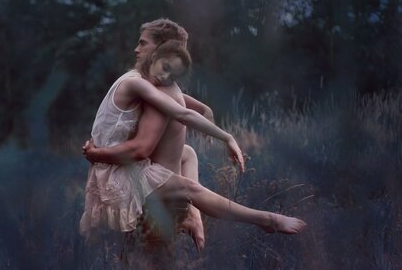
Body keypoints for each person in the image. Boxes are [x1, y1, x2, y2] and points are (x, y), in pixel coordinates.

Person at [79, 36, 306, 239]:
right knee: (190, 188)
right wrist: (226, 137)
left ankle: (192, 214)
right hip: (116, 172)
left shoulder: (149, 82)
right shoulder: (136, 82)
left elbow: (177, 100)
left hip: (119, 164)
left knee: (188, 153)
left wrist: (204, 108)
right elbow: (180, 112)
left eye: (172, 73)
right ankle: (267, 220)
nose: (165, 76)